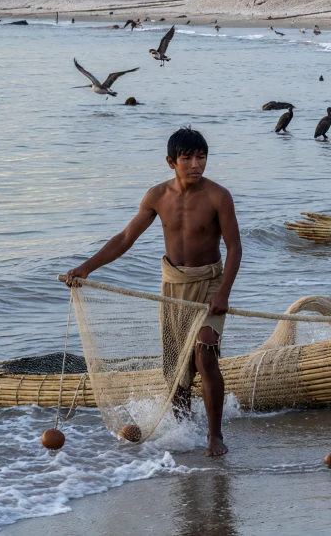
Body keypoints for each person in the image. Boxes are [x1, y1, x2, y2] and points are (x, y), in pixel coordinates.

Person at [65, 127, 242, 456]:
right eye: (187, 158)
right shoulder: (157, 196)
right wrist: (86, 267)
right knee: (174, 368)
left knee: (204, 355)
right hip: (172, 287)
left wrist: (223, 294)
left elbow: (235, 249)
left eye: (201, 157)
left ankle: (214, 436)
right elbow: (124, 239)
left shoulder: (219, 196)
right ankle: (182, 429)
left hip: (209, 284)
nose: (195, 165)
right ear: (170, 162)